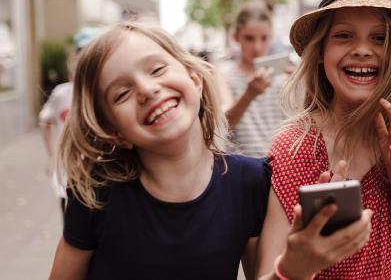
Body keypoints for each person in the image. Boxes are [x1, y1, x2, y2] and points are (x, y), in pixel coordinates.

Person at [257, 0, 391, 279]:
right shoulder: (294, 148)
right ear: (320, 52)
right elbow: (267, 269)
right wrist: (298, 263)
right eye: (344, 35)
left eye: (380, 38)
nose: (362, 49)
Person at [47, 22, 270, 280]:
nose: (146, 89)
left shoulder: (250, 181)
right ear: (115, 132)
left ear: (194, 79)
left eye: (157, 69)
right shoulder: (95, 194)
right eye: (121, 94)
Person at [39, 27, 101, 217]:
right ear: (74, 57)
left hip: (100, 174)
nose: (86, 58)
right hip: (68, 173)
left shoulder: (104, 92)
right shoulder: (62, 93)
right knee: (72, 223)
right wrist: (51, 156)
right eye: (82, 52)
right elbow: (45, 121)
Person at [216, 0, 287, 157]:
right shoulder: (224, 75)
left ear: (271, 37)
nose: (257, 47)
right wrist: (249, 95)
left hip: (278, 165)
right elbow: (225, 124)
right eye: (249, 38)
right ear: (236, 37)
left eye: (264, 38)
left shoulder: (281, 75)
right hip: (243, 167)